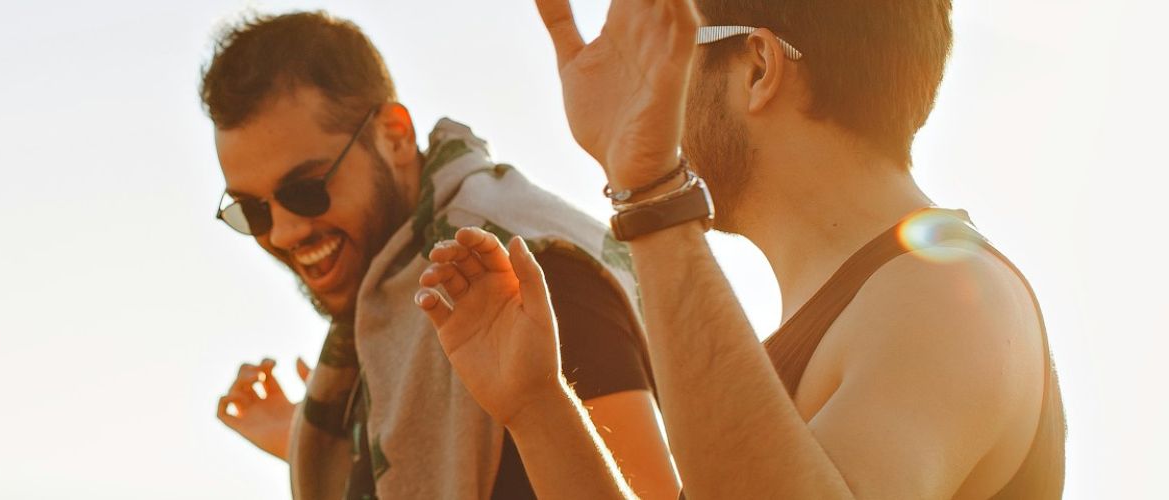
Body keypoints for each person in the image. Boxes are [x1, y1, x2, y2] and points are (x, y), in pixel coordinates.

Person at [421, 0, 1064, 498]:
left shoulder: (948, 297)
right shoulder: (855, 319)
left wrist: (649, 190)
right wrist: (538, 408)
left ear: (757, 68)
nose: (651, 92)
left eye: (671, 60)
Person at [202, 11, 679, 499]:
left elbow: (645, 492)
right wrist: (318, 440)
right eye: (252, 211)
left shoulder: (525, 276)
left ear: (394, 135)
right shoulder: (387, 317)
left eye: (306, 190)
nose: (282, 232)